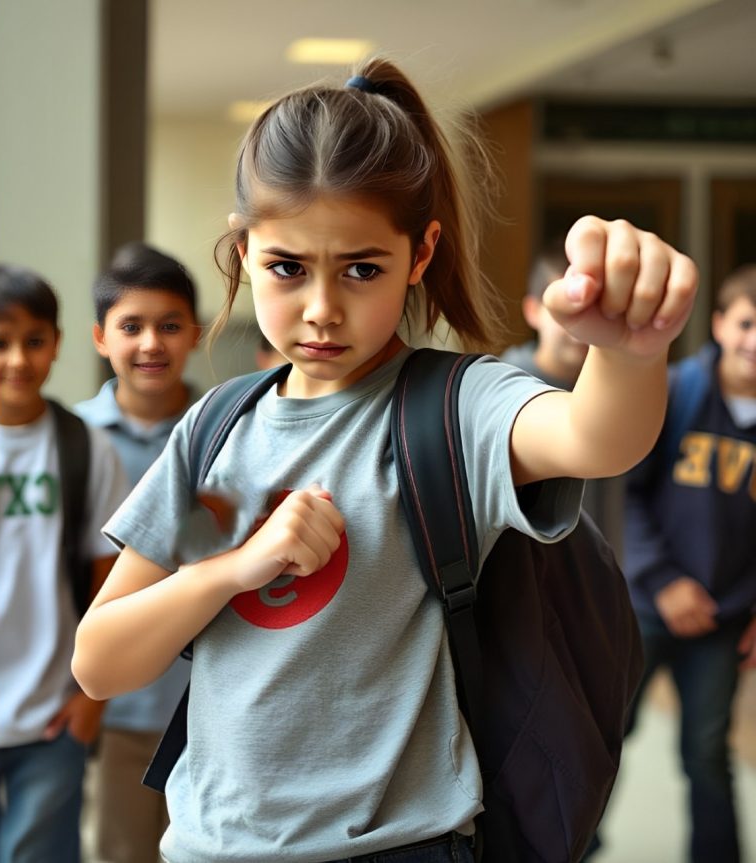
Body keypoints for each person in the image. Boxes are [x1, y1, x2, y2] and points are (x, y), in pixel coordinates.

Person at [71, 57, 697, 863]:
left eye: (362, 268)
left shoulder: (452, 405)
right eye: (287, 269)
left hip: (402, 845)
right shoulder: (215, 427)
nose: (323, 309)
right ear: (244, 245)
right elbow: (98, 661)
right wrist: (236, 567)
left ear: (422, 250)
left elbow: (593, 437)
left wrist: (630, 352)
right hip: (209, 846)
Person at [0, 263, 129, 863]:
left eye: (34, 341)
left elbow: (112, 579)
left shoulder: (84, 446)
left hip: (53, 717)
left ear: (58, 344)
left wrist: (90, 702)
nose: (17, 359)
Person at [619, 263, 756, 863]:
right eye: (748, 323)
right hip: (645, 605)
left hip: (722, 618)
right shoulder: (674, 390)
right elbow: (620, 492)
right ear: (722, 325)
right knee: (600, 737)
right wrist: (663, 580)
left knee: (705, 752)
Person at [74, 242, 202, 863]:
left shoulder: (227, 433)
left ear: (195, 335)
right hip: (112, 712)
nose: (152, 343)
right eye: (132, 326)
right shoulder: (73, 441)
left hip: (206, 704)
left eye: (170, 326)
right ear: (101, 338)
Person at [500, 237, 624, 558]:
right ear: (532, 311)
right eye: (565, 312)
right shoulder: (504, 392)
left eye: (589, 310)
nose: (578, 326)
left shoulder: (613, 390)